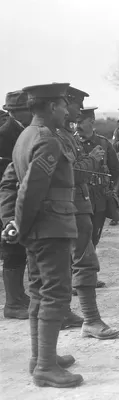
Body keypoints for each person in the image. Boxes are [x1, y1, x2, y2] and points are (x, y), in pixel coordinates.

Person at [0, 82, 83, 387]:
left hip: (39, 228)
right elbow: (31, 190)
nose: (65, 110)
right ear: (50, 107)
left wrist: (11, 221)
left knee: (38, 291)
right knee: (56, 294)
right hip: (51, 227)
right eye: (62, 104)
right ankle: (46, 366)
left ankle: (40, 357)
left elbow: (10, 182)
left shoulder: (24, 136)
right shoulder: (46, 140)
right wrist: (18, 225)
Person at [61, 86, 119, 338]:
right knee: (82, 258)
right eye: (72, 109)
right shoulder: (60, 138)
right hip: (71, 205)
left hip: (87, 201)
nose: (76, 120)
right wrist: (93, 160)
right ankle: (90, 320)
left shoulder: (97, 142)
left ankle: (66, 315)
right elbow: (74, 173)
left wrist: (112, 194)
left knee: (79, 252)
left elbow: (116, 171)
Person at [0, 90, 32, 319]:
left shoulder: (24, 130)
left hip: (18, 195)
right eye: (22, 109)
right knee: (12, 248)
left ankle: (19, 296)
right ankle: (12, 303)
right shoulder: (5, 134)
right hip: (7, 198)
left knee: (20, 248)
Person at [75, 107, 119, 247]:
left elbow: (116, 170)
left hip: (99, 200)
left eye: (81, 122)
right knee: (78, 242)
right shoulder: (71, 143)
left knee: (94, 238)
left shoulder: (103, 144)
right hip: (78, 200)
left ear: (92, 122)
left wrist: (109, 188)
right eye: (76, 122)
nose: (77, 126)